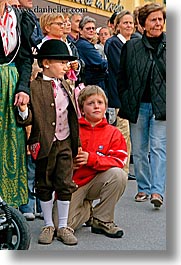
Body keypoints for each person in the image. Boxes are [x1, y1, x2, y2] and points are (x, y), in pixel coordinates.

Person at [16, 39, 79, 245]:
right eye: (61, 62)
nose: (65, 66)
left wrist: (76, 143)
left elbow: (73, 114)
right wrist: (23, 109)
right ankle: (48, 225)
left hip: (65, 140)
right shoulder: (34, 87)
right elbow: (27, 119)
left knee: (64, 182)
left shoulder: (67, 85)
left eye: (66, 63)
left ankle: (62, 226)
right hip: (44, 141)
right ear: (45, 63)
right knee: (44, 183)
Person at [53, 85, 128, 238]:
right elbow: (57, 156)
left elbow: (119, 160)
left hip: (98, 180)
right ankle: (87, 212)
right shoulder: (71, 129)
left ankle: (102, 219)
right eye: (90, 103)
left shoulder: (114, 133)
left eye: (100, 103)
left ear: (106, 107)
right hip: (73, 183)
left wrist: (91, 159)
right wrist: (68, 164)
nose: (96, 106)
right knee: (60, 226)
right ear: (81, 107)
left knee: (118, 175)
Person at [117, 3, 166, 208]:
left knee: (158, 147)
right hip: (138, 104)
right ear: (143, 23)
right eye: (153, 19)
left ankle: (157, 191)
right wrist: (125, 97)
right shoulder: (131, 46)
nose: (158, 23)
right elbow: (122, 76)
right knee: (138, 150)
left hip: (162, 105)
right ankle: (143, 188)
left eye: (161, 19)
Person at [0, 0, 36, 207]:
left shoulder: (20, 17)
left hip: (11, 85)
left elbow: (25, 58)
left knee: (12, 144)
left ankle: (10, 208)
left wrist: (23, 88)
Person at [105, 10, 134, 175]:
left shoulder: (134, 42)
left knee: (129, 136)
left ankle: (124, 169)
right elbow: (121, 69)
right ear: (117, 26)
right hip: (119, 97)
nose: (129, 25)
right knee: (122, 134)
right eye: (125, 22)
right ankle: (121, 170)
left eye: (131, 22)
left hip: (131, 98)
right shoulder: (114, 43)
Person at [75, 16, 108, 93]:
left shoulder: (87, 44)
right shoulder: (83, 45)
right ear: (80, 30)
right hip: (93, 85)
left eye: (93, 28)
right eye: (88, 28)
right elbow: (100, 63)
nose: (91, 30)